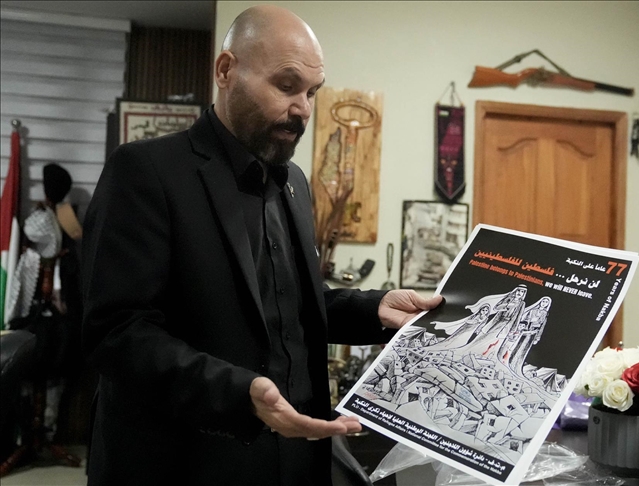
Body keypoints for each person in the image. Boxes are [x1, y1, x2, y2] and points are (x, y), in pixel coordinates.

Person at [80, 5, 441, 485]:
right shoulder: (146, 171)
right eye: (286, 85)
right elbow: (116, 333)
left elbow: (289, 308)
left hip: (296, 463)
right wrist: (239, 393)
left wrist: (373, 309)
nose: (303, 108)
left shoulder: (294, 183)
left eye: (312, 92)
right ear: (226, 70)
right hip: (187, 464)